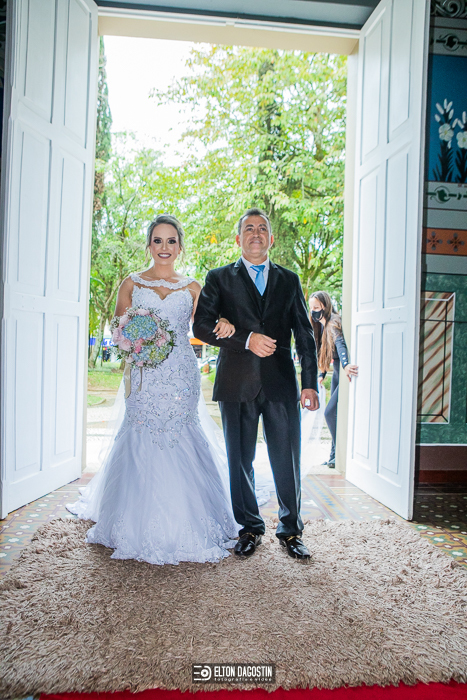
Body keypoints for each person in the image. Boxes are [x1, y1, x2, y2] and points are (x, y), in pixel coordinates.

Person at [67, 214, 240, 565]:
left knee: (181, 432)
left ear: (180, 247)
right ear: (148, 245)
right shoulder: (131, 283)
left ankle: (192, 520)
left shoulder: (193, 287)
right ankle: (130, 521)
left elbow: (206, 324)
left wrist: (223, 320)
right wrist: (136, 340)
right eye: (158, 240)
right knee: (140, 431)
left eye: (171, 241)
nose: (164, 247)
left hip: (180, 376)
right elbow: (118, 328)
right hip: (144, 375)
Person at [193, 208, 319, 562]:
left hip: (281, 384)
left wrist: (309, 383)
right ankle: (249, 528)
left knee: (287, 460)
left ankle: (290, 530)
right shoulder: (218, 278)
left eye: (262, 228)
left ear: (271, 239)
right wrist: (246, 339)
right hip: (236, 384)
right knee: (240, 461)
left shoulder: (290, 280)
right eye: (249, 228)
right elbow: (201, 326)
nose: (256, 233)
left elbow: (304, 335)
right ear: (238, 238)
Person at [309, 291, 358, 469]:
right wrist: (321, 375)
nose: (313, 311)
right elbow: (324, 353)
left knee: (330, 413)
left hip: (342, 372)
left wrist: (346, 365)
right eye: (312, 308)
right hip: (336, 373)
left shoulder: (333, 322)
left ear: (325, 305)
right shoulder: (321, 326)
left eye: (317, 307)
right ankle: (333, 456)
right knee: (334, 415)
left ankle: (341, 452)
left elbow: (340, 343)